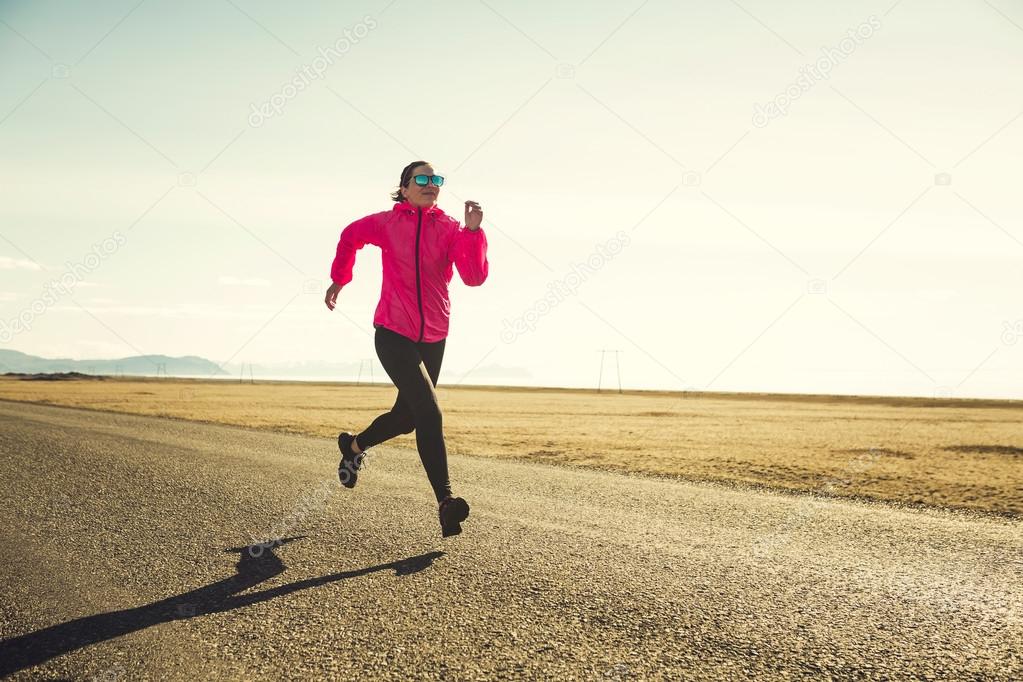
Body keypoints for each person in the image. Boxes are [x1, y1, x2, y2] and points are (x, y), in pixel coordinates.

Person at [324, 160, 489, 537]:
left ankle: (353, 446)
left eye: (437, 180)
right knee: (429, 412)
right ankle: (446, 502)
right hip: (393, 332)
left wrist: (474, 233)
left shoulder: (450, 229)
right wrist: (339, 279)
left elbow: (474, 277)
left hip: (434, 335)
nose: (431, 184)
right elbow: (350, 236)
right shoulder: (386, 223)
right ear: (404, 187)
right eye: (423, 179)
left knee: (408, 417)